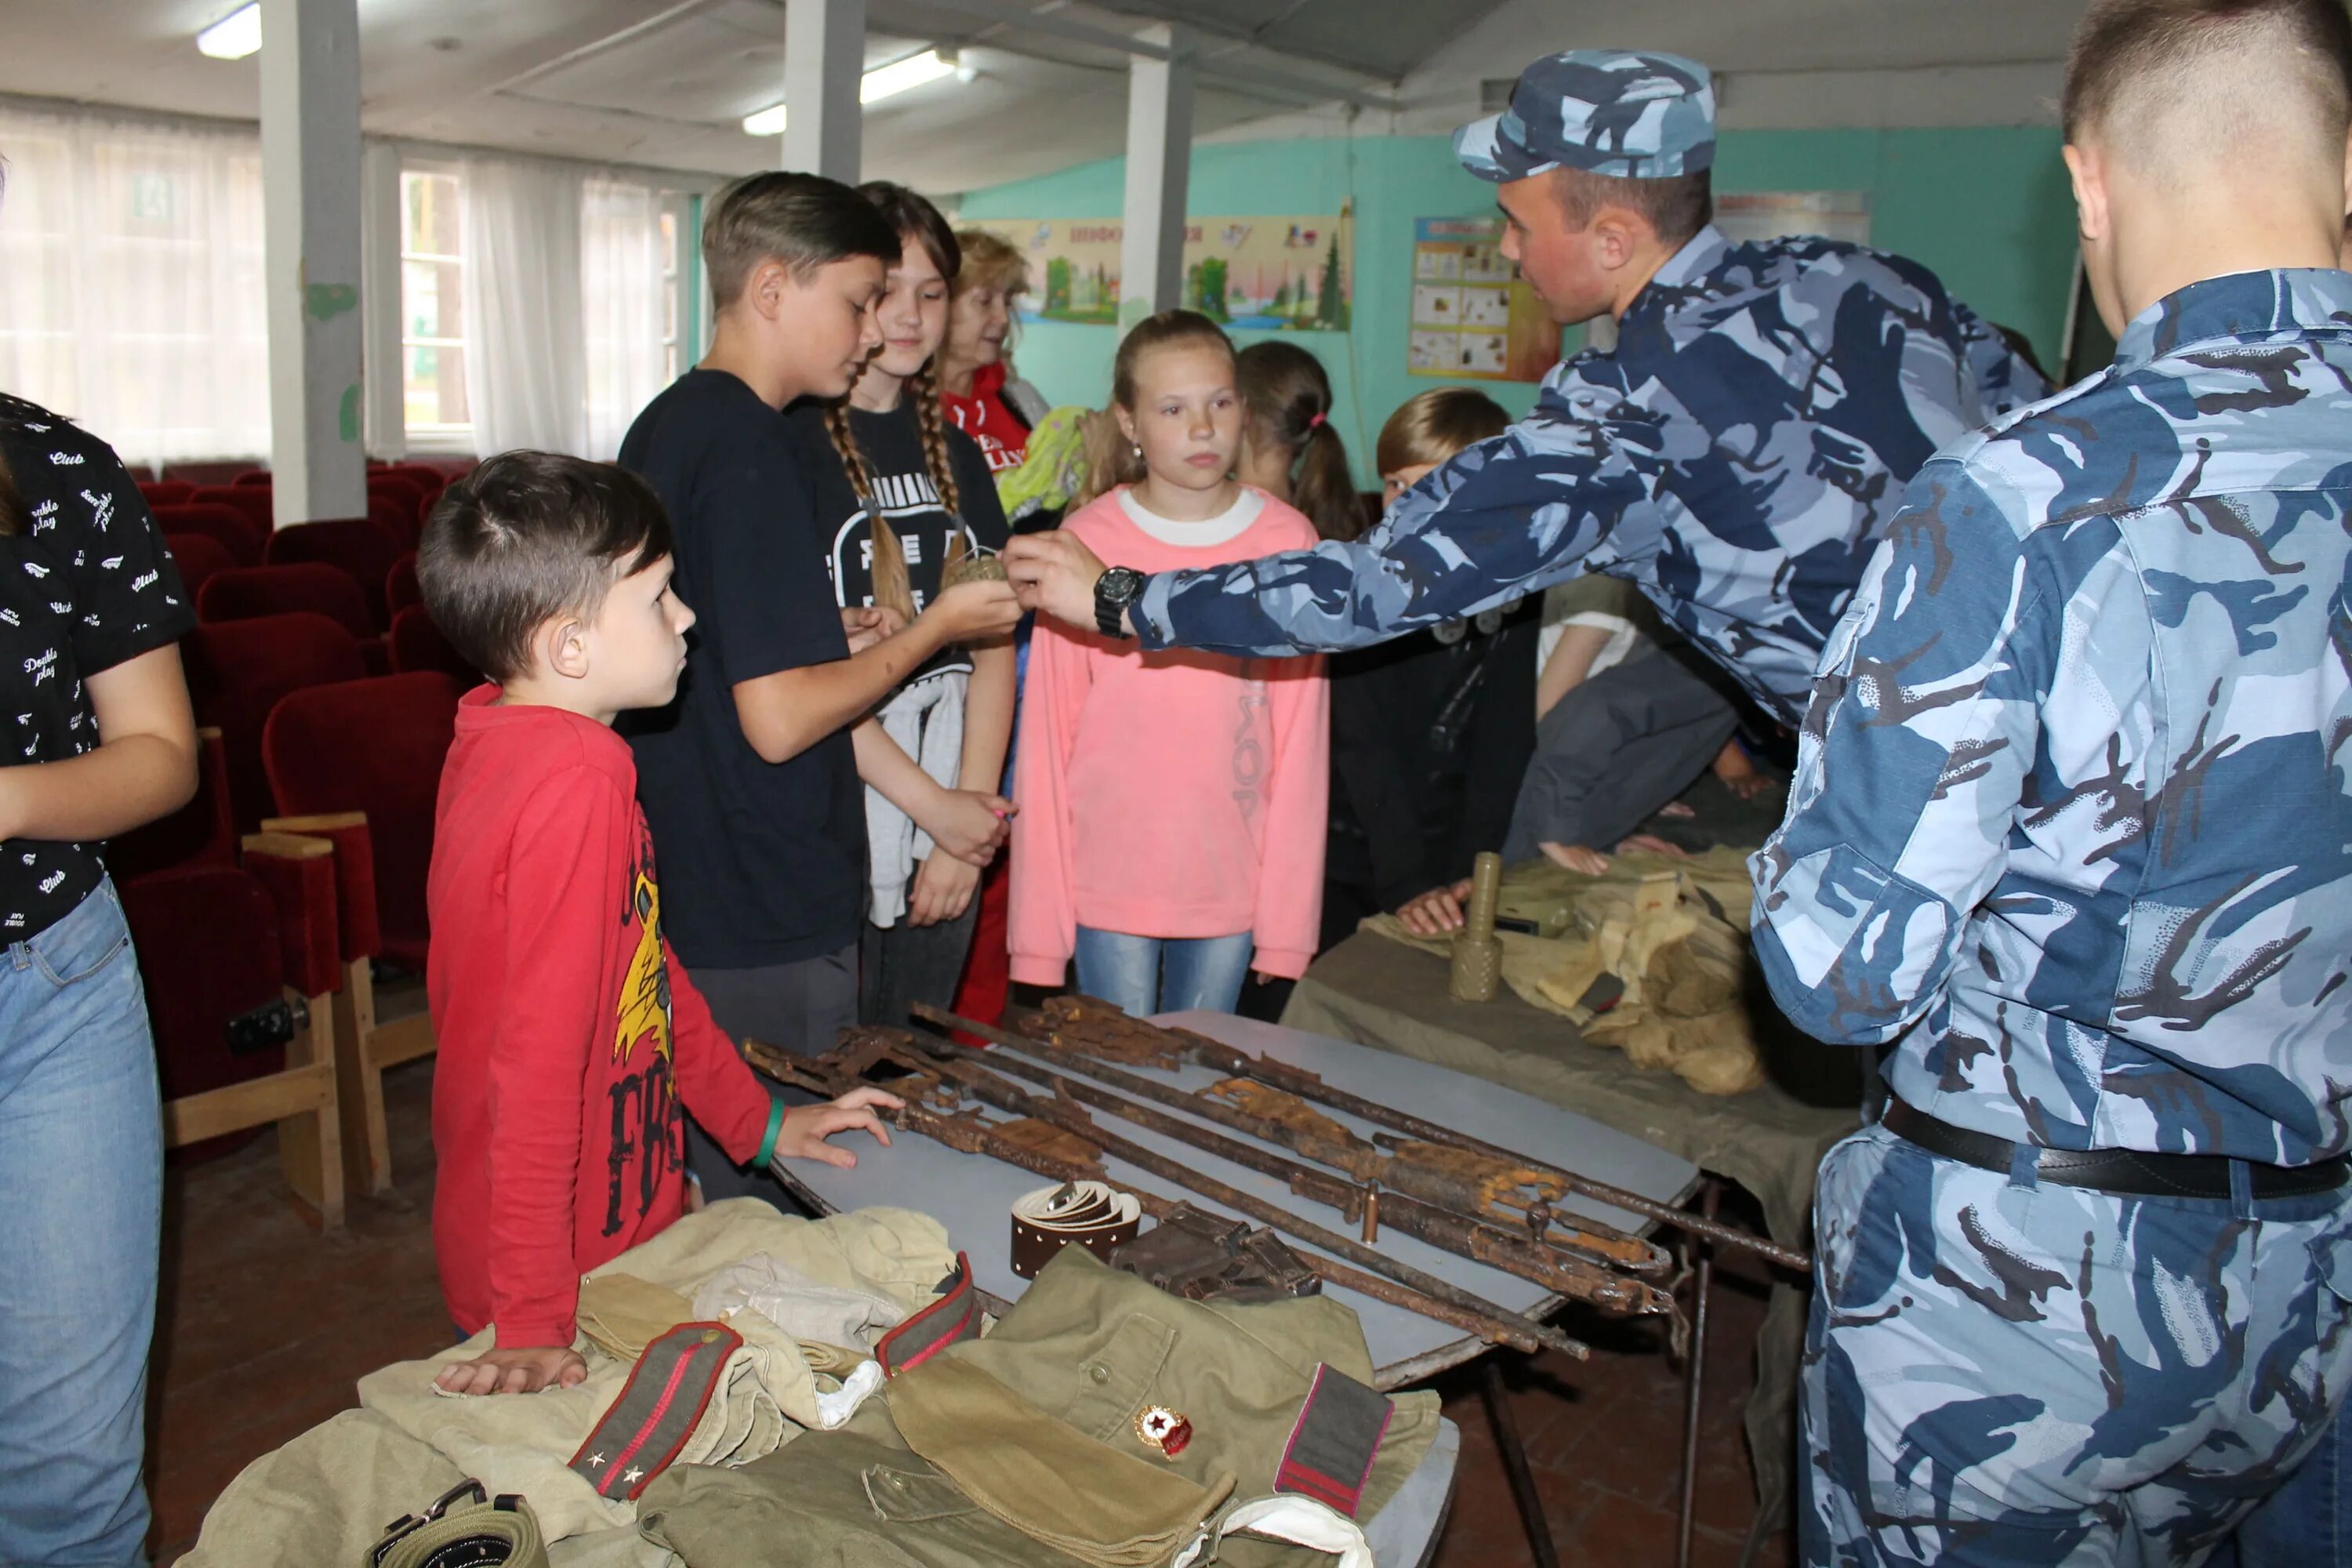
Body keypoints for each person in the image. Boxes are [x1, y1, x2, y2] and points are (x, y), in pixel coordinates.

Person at [1751, 0, 2352, 1558]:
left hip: (2030, 1305)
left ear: (2085, 182)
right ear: (2347, 162)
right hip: (2323, 1291)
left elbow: (1839, 974)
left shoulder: (2019, 504)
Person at [1004, 49, 2047, 816]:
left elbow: (1373, 588)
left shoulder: (1623, 415)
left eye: (1518, 220)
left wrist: (1119, 597)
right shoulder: (1861, 277)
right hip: (2068, 720)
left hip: (1928, 789)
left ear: (1610, 236)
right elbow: (2039, 428)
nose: (1504, 248)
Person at [417, 452, 902, 1396]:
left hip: (591, 1236)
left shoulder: (499, 733)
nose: (687, 616)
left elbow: (646, 970)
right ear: (569, 646)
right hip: (554, 1278)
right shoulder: (579, 782)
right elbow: (536, 1061)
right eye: (658, 596)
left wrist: (757, 1125)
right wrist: (528, 1315)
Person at [619, 172, 1020, 1205]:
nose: (869, 328)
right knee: (792, 1205)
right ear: (770, 289)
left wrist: (819, 631)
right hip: (762, 886)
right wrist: (935, 627)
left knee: (740, 1189)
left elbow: (710, 638)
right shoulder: (753, 442)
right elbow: (782, 717)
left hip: (713, 868)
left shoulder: (677, 421)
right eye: (853, 300)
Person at [0, 395, 197, 1566]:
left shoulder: (57, 464)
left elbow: (161, 754)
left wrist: (10, 800)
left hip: (54, 982)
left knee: (74, 1482)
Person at [1008, 310, 1328, 1016]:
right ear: (1129, 423)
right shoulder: (1087, 540)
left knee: (1201, 1077)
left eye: (1219, 402)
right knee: (1115, 1081)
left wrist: (1285, 929)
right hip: (1108, 880)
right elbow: (1048, 743)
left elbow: (1302, 748)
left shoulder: (1286, 539)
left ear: (1244, 409)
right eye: (1173, 408)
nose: (1203, 427)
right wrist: (1038, 935)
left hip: (1228, 886)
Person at [796, 183, 1015, 1029]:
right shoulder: (797, 443)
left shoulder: (958, 451)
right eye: (888, 291)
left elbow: (994, 646)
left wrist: (970, 820)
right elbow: (799, 675)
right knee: (841, 1065)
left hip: (953, 795)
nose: (912, 316)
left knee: (917, 1060)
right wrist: (934, 808)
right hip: (846, 797)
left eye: (933, 293)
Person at [1314, 388, 1543, 953]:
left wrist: (1470, 869)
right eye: (1396, 484)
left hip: (1440, 855)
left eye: (1430, 487)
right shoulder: (1364, 592)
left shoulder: (1516, 591)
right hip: (1349, 854)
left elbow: (1504, 738)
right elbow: (1363, 752)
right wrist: (1408, 881)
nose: (1403, 505)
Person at [938, 228, 1044, 475]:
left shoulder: (1021, 398)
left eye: (1007, 301)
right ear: (941, 306)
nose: (1003, 318)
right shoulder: (906, 406)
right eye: (985, 301)